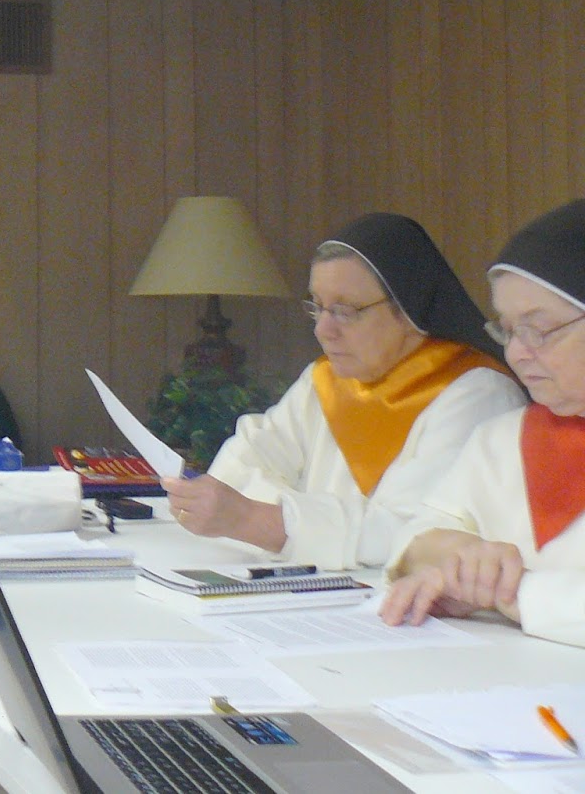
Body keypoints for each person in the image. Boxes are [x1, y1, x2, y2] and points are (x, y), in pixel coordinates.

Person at [162, 213, 526, 570]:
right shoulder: (325, 380)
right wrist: (290, 521)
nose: (323, 330)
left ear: (410, 309)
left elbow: (412, 533)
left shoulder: (477, 394)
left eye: (345, 311)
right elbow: (234, 470)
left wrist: (259, 519)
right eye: (318, 307)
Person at [382, 199, 585, 648]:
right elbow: (418, 531)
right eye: (508, 331)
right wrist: (457, 559)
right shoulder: (502, 438)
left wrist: (508, 593)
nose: (516, 353)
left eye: (539, 330)